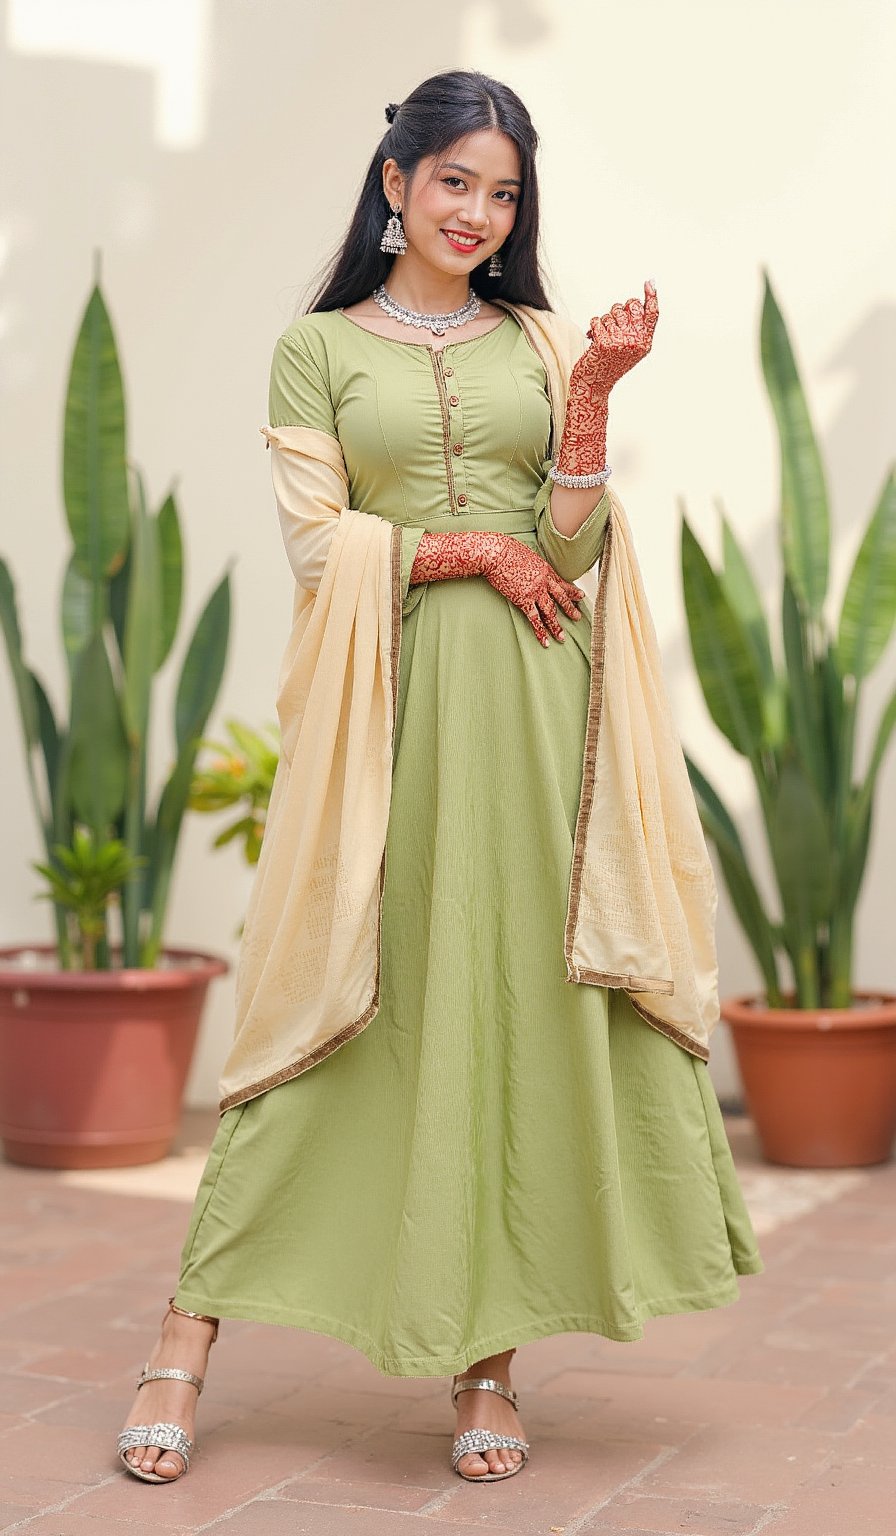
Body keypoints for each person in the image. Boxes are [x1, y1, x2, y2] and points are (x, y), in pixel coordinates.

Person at [117, 68, 763, 1488]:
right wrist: (467, 550)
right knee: (333, 995)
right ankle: (185, 1332)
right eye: (457, 180)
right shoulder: (318, 348)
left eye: (506, 190)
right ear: (396, 181)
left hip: (540, 726)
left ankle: (487, 1365)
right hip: (389, 723)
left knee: (511, 1013)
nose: (480, 211)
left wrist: (589, 392)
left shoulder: (536, 339)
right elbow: (314, 545)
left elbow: (578, 549)